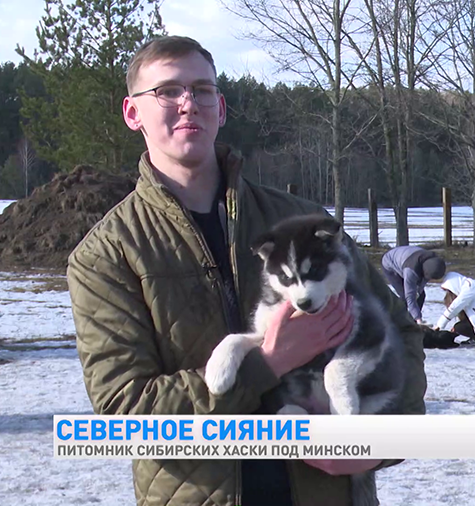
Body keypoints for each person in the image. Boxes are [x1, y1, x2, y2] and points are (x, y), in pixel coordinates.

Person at [66, 36, 427, 506]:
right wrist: (266, 363)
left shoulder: (300, 225)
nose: (187, 103)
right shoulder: (109, 254)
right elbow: (123, 415)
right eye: (167, 91)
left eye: (201, 89)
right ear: (133, 113)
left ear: (221, 106)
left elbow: (400, 334)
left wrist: (373, 445)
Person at [381, 245, 446, 324]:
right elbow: (410, 297)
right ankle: (396, 322)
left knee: (421, 295)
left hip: (407, 259)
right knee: (404, 296)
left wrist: (419, 291)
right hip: (390, 264)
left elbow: (423, 282)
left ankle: (412, 322)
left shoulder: (433, 262)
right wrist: (419, 319)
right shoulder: (411, 271)